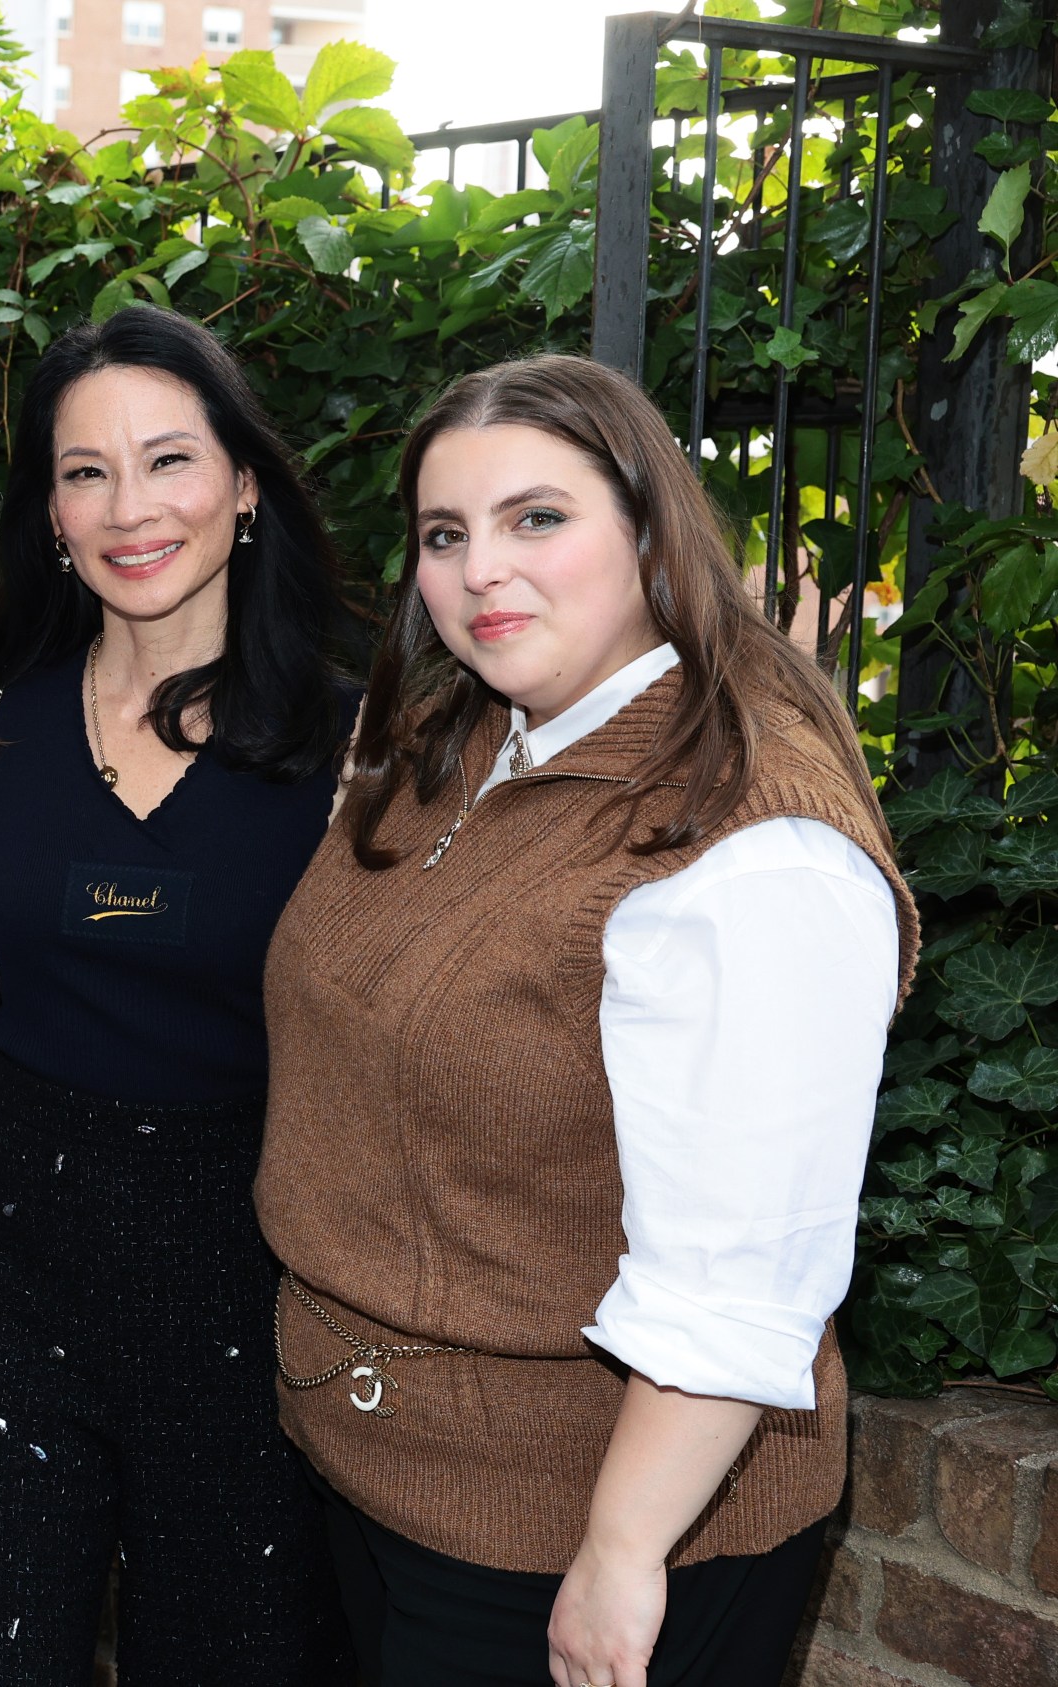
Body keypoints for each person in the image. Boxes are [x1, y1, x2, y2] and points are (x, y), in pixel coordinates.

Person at [255, 354, 913, 1687]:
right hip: (378, 1465)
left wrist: (622, 1553)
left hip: (580, 1534)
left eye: (537, 518)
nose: (482, 571)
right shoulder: (469, 739)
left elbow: (740, 1272)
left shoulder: (750, 848)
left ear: (648, 532)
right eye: (447, 535)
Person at [0, 305, 355, 1684]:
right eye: (85, 471)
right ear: (48, 511)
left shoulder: (365, 742)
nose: (130, 507)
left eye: (169, 461)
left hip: (252, 1279)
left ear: (243, 486)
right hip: (15, 1270)